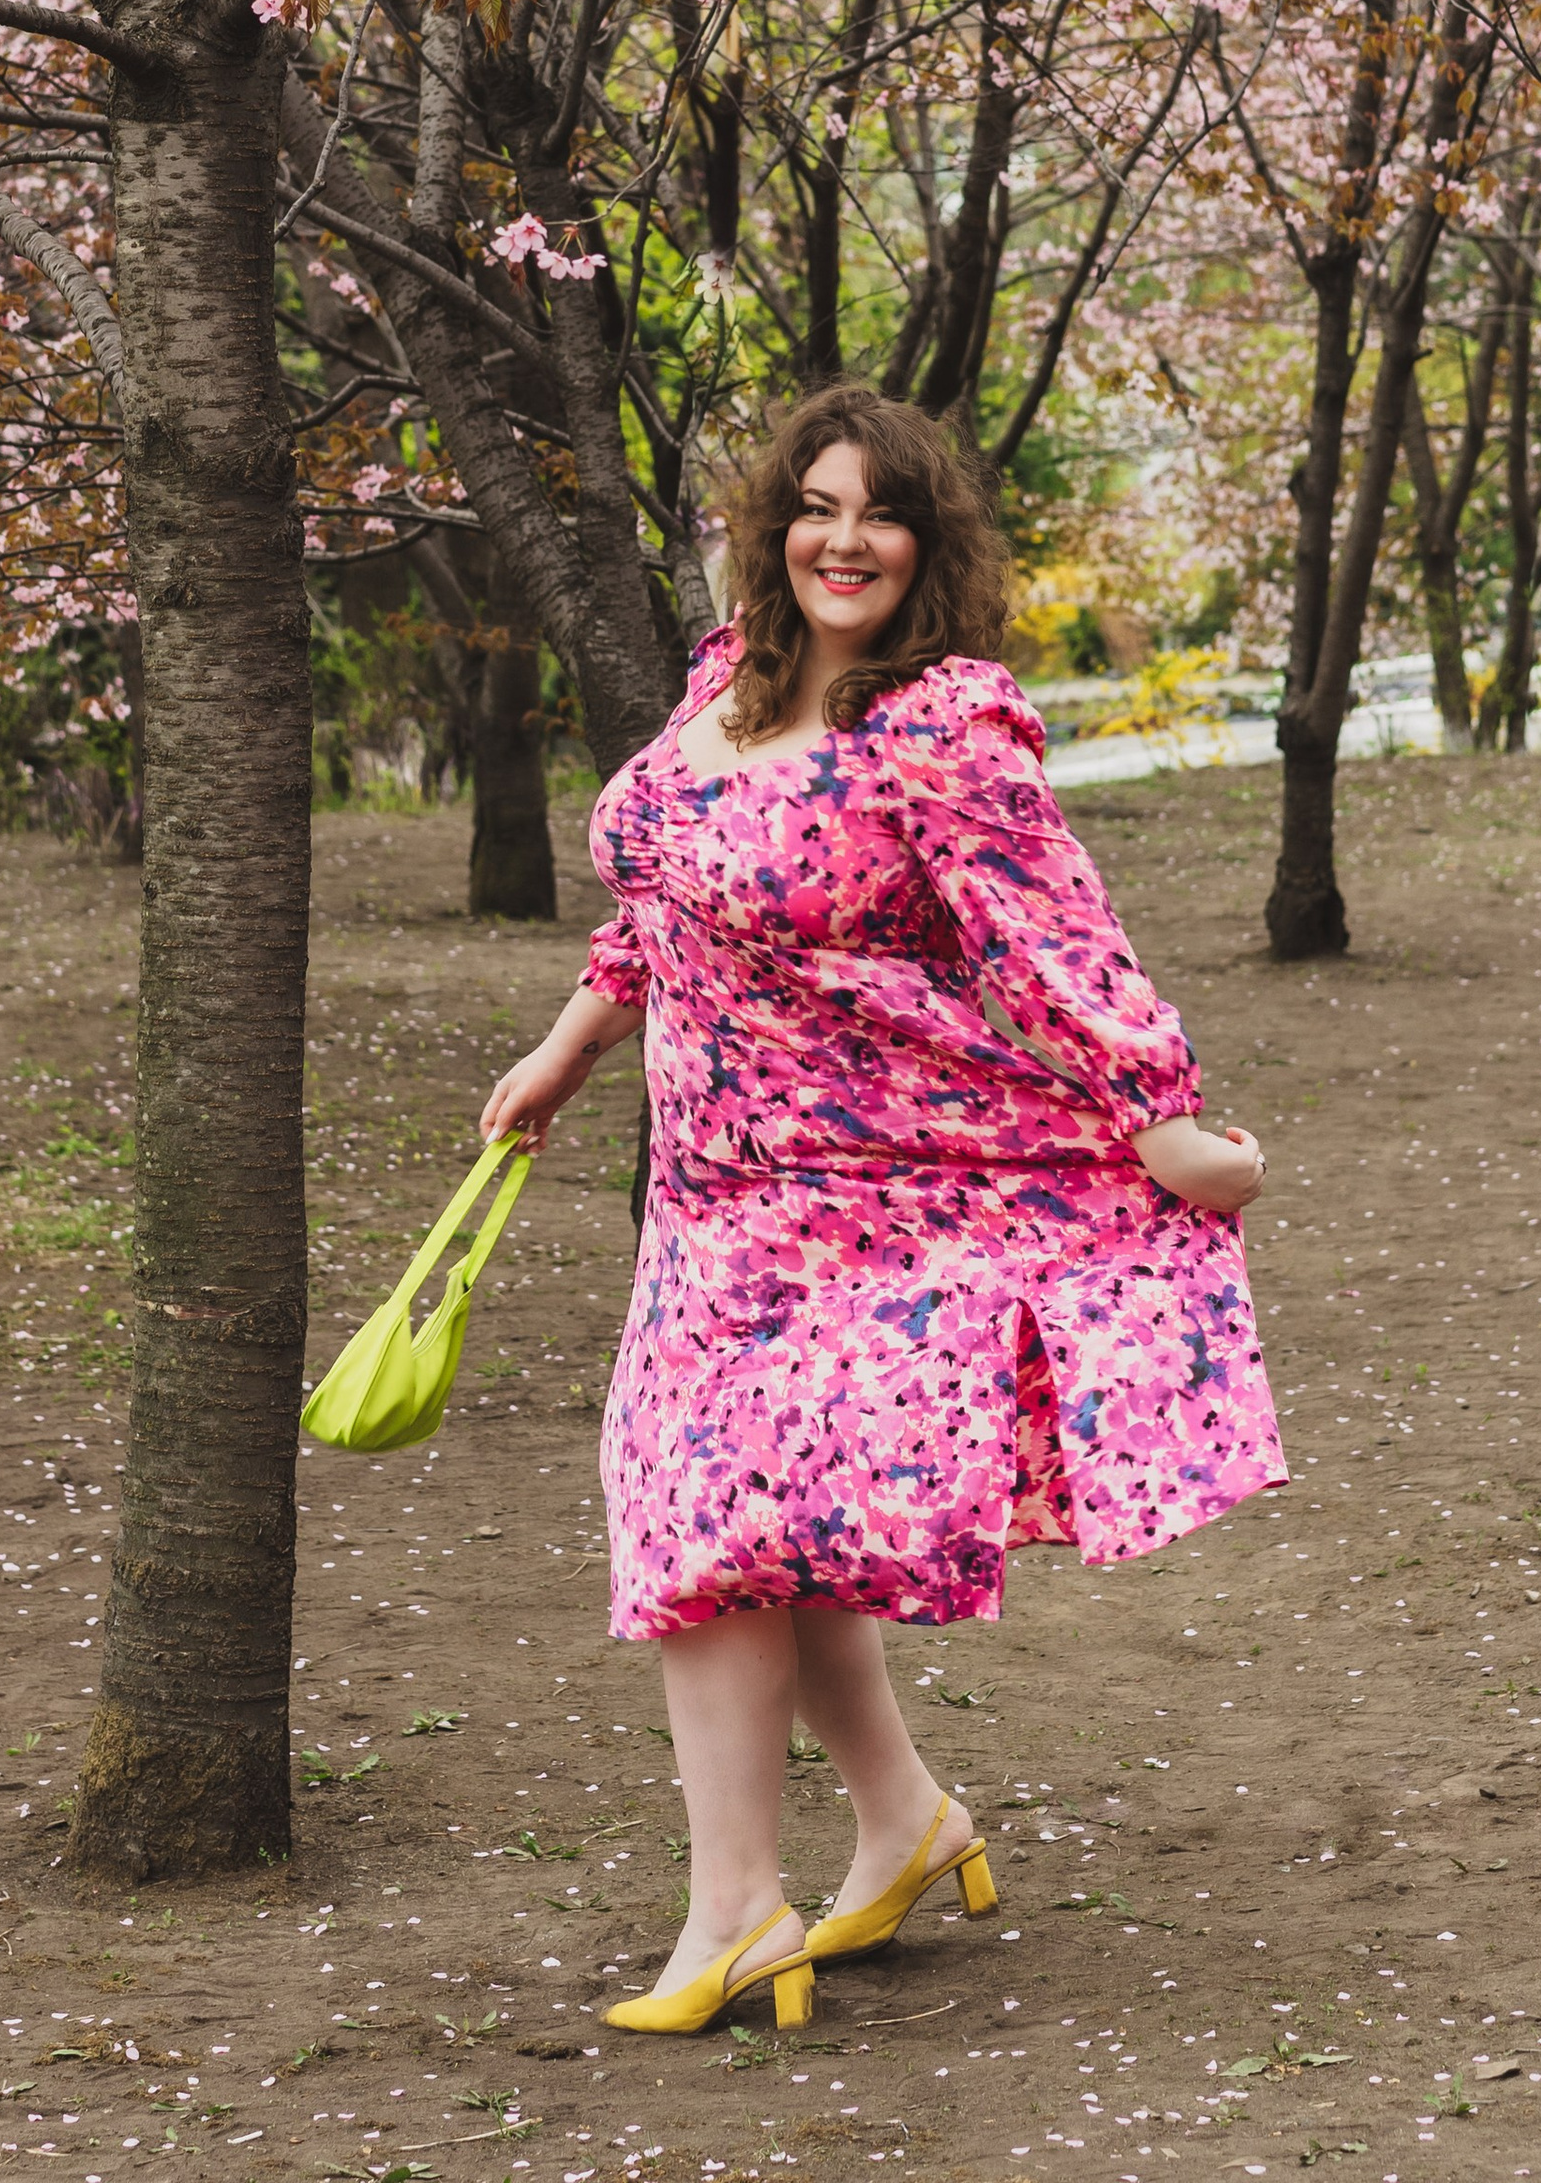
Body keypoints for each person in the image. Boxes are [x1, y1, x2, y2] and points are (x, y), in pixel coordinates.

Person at [479, 384, 1284, 2039]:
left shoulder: (939, 726)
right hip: (706, 1199)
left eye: (882, 512)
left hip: (877, 1193)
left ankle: (733, 1915)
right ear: (778, 525)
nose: (844, 538)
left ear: (928, 544)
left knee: (703, 1521)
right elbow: (658, 902)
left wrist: (1162, 1115)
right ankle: (905, 1823)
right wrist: (566, 1048)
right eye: (817, 506)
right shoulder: (731, 682)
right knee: (764, 1533)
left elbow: (1048, 930)